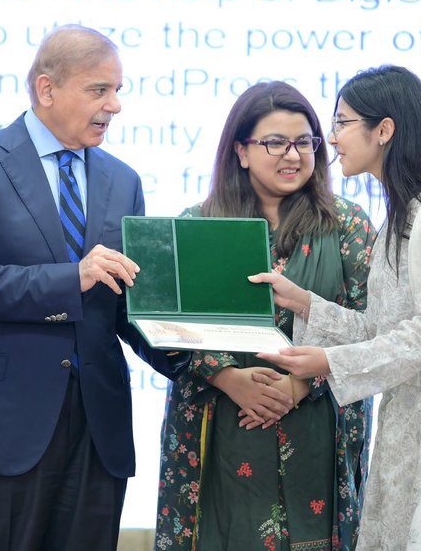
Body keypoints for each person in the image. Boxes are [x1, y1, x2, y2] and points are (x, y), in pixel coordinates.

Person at [0, 25, 192, 551]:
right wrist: (73, 276)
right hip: (1, 422)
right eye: (99, 90)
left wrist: (200, 360)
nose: (115, 106)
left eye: (118, 90)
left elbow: (126, 303)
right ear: (47, 89)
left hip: (96, 422)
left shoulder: (123, 179)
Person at [257, 65, 421, 550]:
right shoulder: (401, 214)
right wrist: (306, 303)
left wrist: (328, 361)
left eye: (341, 123)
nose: (331, 139)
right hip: (402, 429)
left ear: (384, 130)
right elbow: (381, 330)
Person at [156, 81, 375, 551]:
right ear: (241, 151)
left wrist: (299, 385)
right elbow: (164, 327)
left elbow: (371, 327)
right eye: (275, 142)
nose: (292, 155)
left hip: (319, 424)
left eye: (305, 142)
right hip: (220, 425)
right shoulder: (197, 225)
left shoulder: (348, 225)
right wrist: (225, 377)